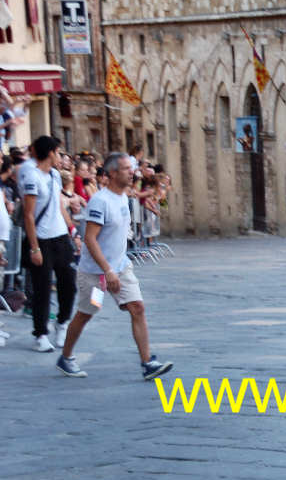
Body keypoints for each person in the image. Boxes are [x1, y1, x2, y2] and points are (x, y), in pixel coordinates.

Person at [55, 153, 173, 380]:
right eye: (126, 169)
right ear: (111, 174)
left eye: (132, 168)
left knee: (137, 307)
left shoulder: (123, 197)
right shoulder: (101, 201)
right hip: (96, 275)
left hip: (121, 268)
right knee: (87, 312)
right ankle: (66, 357)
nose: (132, 172)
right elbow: (90, 238)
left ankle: (147, 362)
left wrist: (115, 268)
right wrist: (107, 270)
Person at [20, 136, 78, 352]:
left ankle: (62, 322)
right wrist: (34, 247)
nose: (61, 157)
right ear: (51, 153)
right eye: (58, 152)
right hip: (41, 239)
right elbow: (28, 215)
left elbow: (59, 206)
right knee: (42, 288)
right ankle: (40, 333)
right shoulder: (32, 177)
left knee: (69, 284)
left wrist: (73, 231)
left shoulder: (55, 175)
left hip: (61, 238)